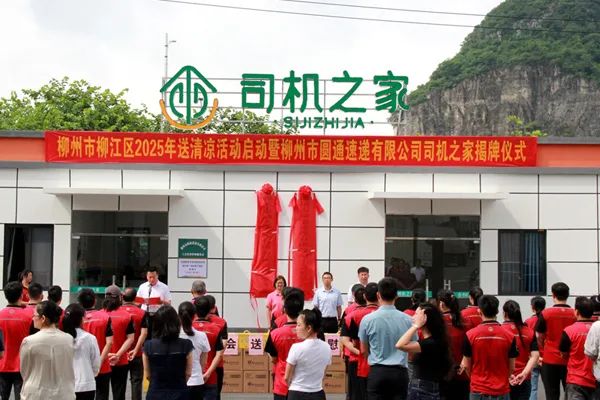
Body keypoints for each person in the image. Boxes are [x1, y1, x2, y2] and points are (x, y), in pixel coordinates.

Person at [359, 277, 415, 400]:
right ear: (397, 296)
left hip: (377, 372)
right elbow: (412, 352)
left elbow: (363, 350)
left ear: (378, 295)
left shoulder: (367, 320)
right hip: (400, 373)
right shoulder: (408, 320)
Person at [460, 295, 518, 399]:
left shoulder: (470, 335)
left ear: (479, 311)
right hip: (502, 391)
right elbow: (512, 367)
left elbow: (466, 366)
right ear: (497, 311)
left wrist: (476, 379)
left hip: (478, 390)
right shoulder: (509, 336)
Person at [20, 300, 75, 400]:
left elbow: (24, 370)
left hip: (36, 393)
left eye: (34, 315)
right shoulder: (69, 339)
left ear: (43, 318)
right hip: (64, 393)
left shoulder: (29, 341)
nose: (33, 318)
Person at [396, 303, 452, 400]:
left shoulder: (429, 343)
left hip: (421, 388)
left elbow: (400, 345)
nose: (413, 317)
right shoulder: (437, 340)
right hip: (428, 387)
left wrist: (415, 326)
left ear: (425, 319)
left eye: (417, 314)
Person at [535, 282, 577, 400]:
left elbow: (539, 336)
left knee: (551, 394)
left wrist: (542, 351)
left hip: (549, 359)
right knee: (570, 394)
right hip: (569, 359)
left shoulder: (546, 313)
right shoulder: (575, 314)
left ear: (553, 295)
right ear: (568, 295)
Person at [143, 305, 193, 400]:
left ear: (156, 323)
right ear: (176, 323)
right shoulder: (186, 344)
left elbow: (148, 375)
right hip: (179, 391)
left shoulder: (148, 345)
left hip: (155, 391)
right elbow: (188, 373)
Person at [285, 309, 331, 400]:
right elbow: (323, 375)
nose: (296, 328)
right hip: (318, 393)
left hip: (297, 393)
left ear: (309, 328)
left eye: (299, 325)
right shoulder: (327, 347)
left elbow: (287, 377)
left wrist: (293, 386)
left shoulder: (296, 347)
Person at [265, 293, 305, 400]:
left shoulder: (274, 334)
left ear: (284, 310)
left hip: (281, 383)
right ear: (301, 311)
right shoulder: (308, 334)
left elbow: (273, 358)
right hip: (303, 384)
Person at [344, 283, 379, 400]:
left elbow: (344, 339)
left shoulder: (352, 315)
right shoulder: (389, 316)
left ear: (365, 296)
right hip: (382, 363)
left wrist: (358, 352)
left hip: (358, 361)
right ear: (378, 295)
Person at [78, 288, 114, 400]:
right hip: (102, 366)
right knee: (102, 395)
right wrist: (98, 363)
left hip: (82, 367)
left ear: (79, 302)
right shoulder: (105, 317)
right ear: (95, 300)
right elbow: (109, 343)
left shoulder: (76, 318)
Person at [0, 281, 33, 400]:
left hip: (2, 365)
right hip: (22, 365)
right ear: (21, 295)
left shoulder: (0, 315)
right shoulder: (29, 316)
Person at [62, 303, 101, 400]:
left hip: (64, 385)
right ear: (82, 319)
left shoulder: (60, 338)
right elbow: (96, 363)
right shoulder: (90, 338)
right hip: (86, 384)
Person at [501, 300, 539, 400]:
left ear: (504, 313)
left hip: (503, 379)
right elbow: (535, 356)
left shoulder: (499, 331)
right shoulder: (529, 332)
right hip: (523, 379)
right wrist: (524, 373)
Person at [559, 296, 595, 399]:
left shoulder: (569, 331)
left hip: (575, 380)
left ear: (577, 312)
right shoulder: (597, 329)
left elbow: (563, 354)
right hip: (596, 379)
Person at [436, 289, 469, 400]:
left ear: (441, 304)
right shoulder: (465, 321)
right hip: (462, 372)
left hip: (442, 373)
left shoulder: (437, 322)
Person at [104, 285, 135, 400]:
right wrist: (117, 355)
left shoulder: (99, 316)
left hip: (102, 360)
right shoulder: (127, 316)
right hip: (120, 360)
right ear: (120, 298)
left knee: (101, 394)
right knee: (119, 394)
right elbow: (130, 338)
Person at [193, 296, 225, 400]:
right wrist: (208, 373)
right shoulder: (216, 328)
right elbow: (219, 353)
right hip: (211, 374)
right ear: (211, 309)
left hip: (192, 375)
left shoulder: (187, 328)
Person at [179, 302, 210, 399]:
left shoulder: (174, 336)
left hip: (177, 381)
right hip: (196, 380)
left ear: (178, 316)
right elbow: (203, 362)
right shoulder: (202, 336)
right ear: (195, 316)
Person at [122, 288, 148, 400]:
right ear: (135, 298)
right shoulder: (142, 313)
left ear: (122, 297)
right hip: (137, 353)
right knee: (136, 382)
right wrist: (137, 349)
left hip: (120, 353)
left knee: (119, 383)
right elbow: (144, 333)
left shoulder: (116, 312)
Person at [136, 266, 172, 339]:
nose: (152, 279)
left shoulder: (164, 287)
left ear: (157, 276)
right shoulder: (142, 286)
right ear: (146, 276)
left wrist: (161, 301)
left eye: (154, 277)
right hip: (144, 315)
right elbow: (137, 302)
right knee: (144, 336)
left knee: (157, 335)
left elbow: (169, 303)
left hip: (158, 314)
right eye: (150, 277)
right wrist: (141, 301)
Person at [204, 295, 228, 400]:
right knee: (216, 394)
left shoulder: (193, 322)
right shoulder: (221, 322)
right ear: (214, 308)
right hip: (217, 364)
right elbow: (224, 344)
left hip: (198, 365)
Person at [525, 296, 545, 400]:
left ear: (532, 307)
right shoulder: (547, 320)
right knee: (550, 388)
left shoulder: (528, 322)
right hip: (546, 357)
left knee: (533, 387)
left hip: (532, 357)